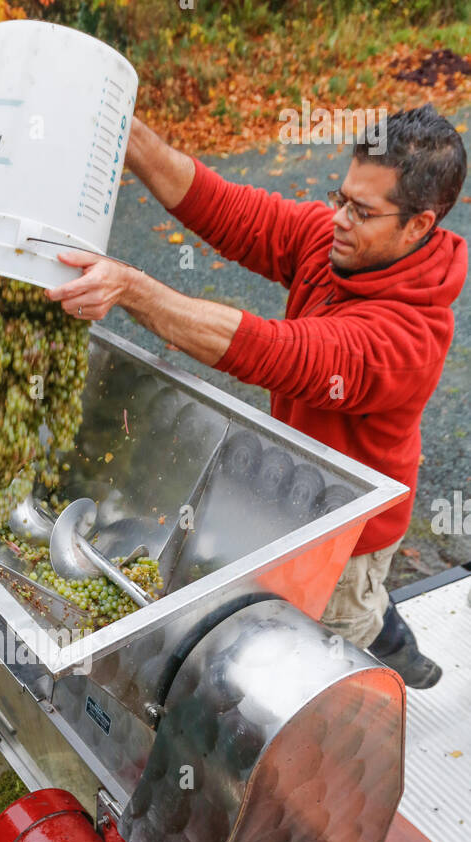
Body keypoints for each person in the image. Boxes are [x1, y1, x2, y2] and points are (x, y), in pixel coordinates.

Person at [46, 103, 468, 688]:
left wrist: (133, 290)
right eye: (340, 196)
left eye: (362, 211)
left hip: (349, 533)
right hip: (298, 489)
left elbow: (271, 349)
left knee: (328, 648)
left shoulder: (408, 339)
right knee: (349, 607)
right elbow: (225, 208)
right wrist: (124, 130)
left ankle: (386, 663)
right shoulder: (343, 240)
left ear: (419, 225)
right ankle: (391, 635)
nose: (339, 219)